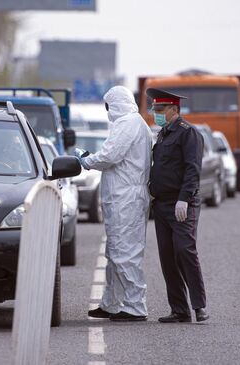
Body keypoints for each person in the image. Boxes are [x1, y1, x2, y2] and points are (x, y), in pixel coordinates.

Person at [74, 85, 153, 321]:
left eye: (108, 105)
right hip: (125, 198)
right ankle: (111, 303)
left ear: (115, 104)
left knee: (124, 253)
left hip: (126, 199)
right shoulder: (134, 123)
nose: (107, 110)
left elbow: (110, 155)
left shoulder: (128, 123)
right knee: (115, 252)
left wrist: (87, 160)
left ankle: (135, 306)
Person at [147, 88, 209, 323]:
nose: (156, 114)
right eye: (154, 110)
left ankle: (199, 306)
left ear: (174, 109)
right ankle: (179, 309)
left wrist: (184, 197)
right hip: (162, 205)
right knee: (167, 257)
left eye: (160, 110)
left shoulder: (188, 133)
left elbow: (193, 168)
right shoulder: (163, 134)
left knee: (185, 250)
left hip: (182, 203)